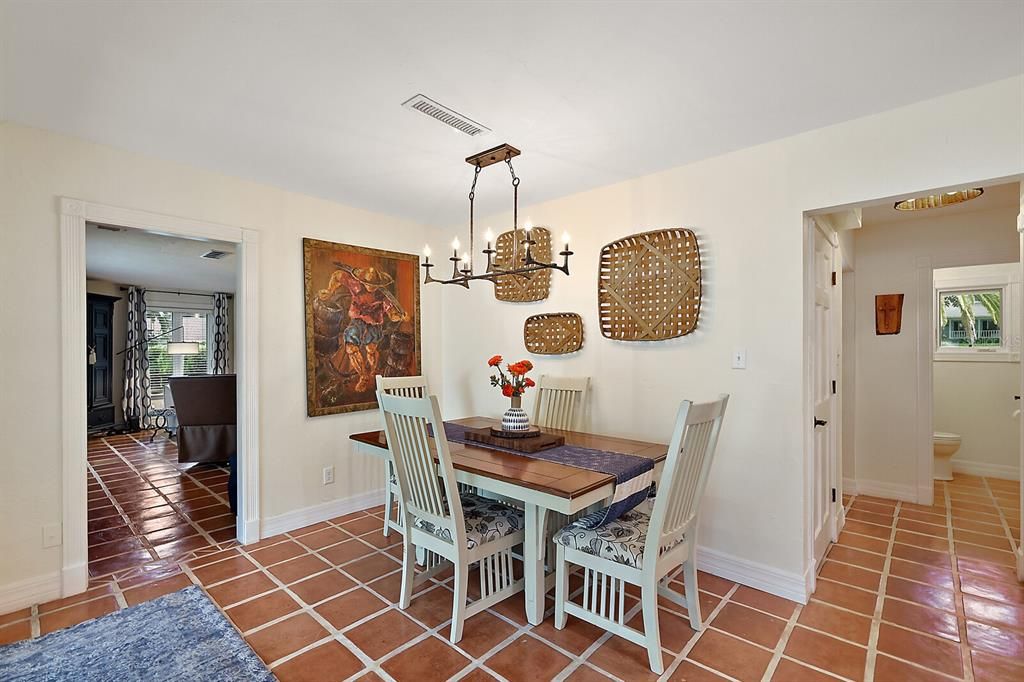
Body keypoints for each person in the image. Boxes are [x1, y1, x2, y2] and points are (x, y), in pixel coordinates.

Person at [328, 263, 408, 392]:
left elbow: (392, 314)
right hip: (357, 322)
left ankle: (373, 371)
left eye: (374, 284)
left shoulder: (383, 296)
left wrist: (401, 317)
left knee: (371, 350)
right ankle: (363, 376)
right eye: (368, 283)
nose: (371, 287)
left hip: (374, 324)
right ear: (362, 280)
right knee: (351, 348)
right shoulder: (354, 284)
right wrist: (330, 290)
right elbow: (338, 275)